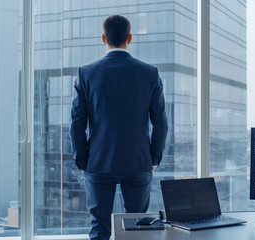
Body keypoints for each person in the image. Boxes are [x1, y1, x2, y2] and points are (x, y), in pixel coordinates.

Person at [70, 15, 168, 240]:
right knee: (135, 229)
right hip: (137, 161)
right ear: (129, 38)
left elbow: (76, 123)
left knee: (99, 229)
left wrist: (83, 160)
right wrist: (152, 159)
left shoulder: (86, 73)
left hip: (99, 161)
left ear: (104, 38)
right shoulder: (149, 73)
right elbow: (160, 122)